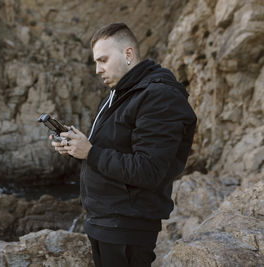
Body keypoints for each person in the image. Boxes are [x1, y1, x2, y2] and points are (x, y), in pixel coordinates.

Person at [50, 22, 197, 267]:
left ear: (128, 54)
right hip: (104, 221)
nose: (97, 70)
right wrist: (77, 146)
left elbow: (149, 170)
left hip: (127, 227)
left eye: (103, 60)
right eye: (96, 62)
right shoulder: (119, 94)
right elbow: (111, 149)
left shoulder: (158, 96)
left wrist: (91, 152)